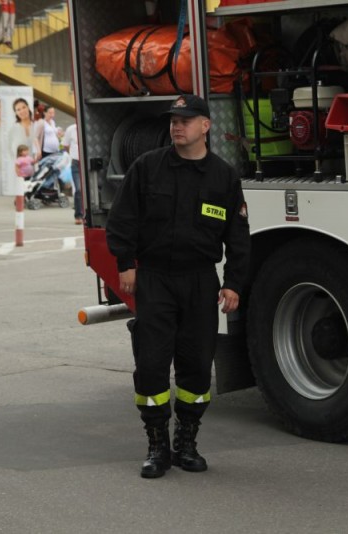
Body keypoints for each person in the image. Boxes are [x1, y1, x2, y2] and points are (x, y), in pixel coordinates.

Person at [105, 94, 250, 479]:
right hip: (154, 279)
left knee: (197, 366)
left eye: (185, 119)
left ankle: (187, 441)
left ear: (205, 126)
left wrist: (233, 283)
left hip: (201, 281)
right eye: (173, 119)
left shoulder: (223, 177)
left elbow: (238, 236)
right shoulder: (147, 167)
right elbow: (121, 220)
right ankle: (157, 445)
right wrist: (126, 264)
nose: (176, 125)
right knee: (151, 364)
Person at [61, 123, 83, 224]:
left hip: (87, 162)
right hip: (76, 162)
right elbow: (65, 144)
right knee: (78, 189)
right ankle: (78, 216)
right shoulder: (71, 129)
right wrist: (72, 154)